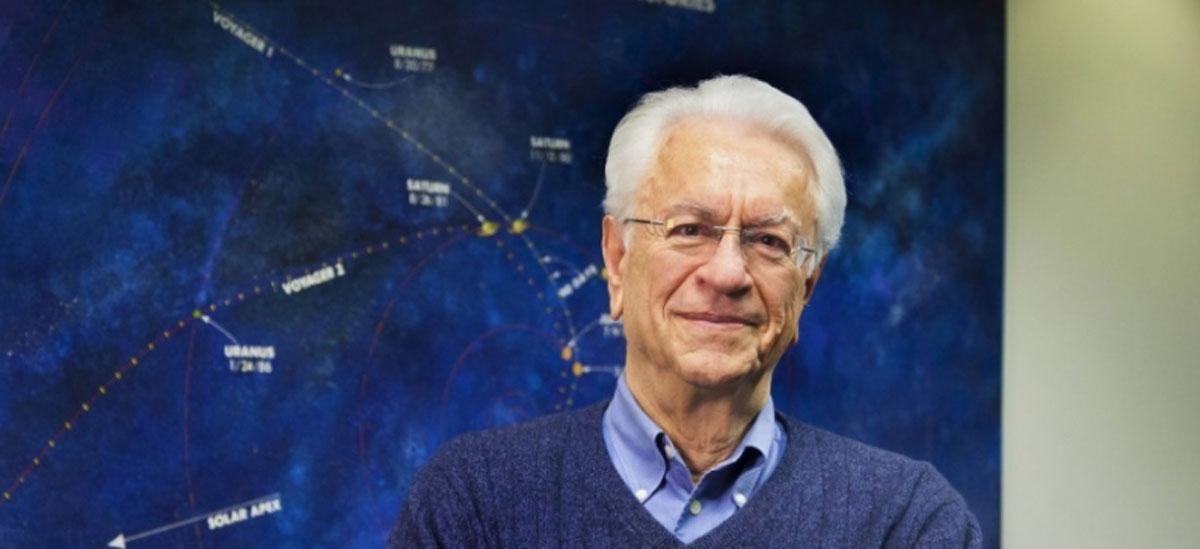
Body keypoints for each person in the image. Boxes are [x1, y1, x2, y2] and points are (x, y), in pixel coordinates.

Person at [390, 75, 982, 547]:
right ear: (617, 259)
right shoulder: (473, 503)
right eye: (690, 229)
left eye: (769, 241)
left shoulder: (905, 523)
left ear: (806, 287)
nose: (727, 274)